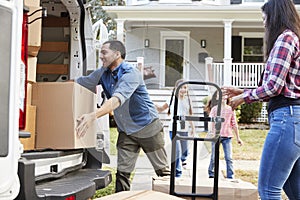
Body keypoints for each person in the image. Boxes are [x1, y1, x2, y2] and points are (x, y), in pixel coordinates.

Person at [222, 0, 300, 199]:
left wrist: (243, 98)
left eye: (265, 18)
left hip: (287, 121)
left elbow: (274, 87)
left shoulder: (285, 39)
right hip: (294, 121)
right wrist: (241, 91)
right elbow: (282, 86)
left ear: (275, 17)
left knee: (268, 190)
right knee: (295, 191)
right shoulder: (294, 38)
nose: (264, 23)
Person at [75, 40, 170, 192]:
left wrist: (92, 116)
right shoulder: (103, 73)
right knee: (122, 175)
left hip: (148, 128)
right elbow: (81, 83)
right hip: (126, 131)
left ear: (117, 54)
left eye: (104, 52)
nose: (101, 56)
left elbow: (116, 100)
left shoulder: (131, 74)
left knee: (163, 173)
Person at [156, 79, 195, 177]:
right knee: (177, 151)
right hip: (173, 129)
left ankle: (184, 159)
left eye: (185, 88)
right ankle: (178, 173)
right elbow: (161, 109)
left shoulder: (188, 100)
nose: (183, 90)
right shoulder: (172, 98)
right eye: (181, 87)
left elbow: (190, 115)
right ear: (176, 88)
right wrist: (152, 105)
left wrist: (193, 128)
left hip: (184, 129)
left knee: (184, 150)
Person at [206, 91, 243, 179]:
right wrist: (210, 132)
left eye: (225, 95)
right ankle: (211, 173)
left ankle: (230, 176)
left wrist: (238, 138)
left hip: (227, 137)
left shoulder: (230, 109)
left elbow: (234, 124)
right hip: (216, 136)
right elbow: (211, 121)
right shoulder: (215, 109)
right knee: (214, 157)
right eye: (221, 95)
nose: (223, 96)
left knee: (228, 157)